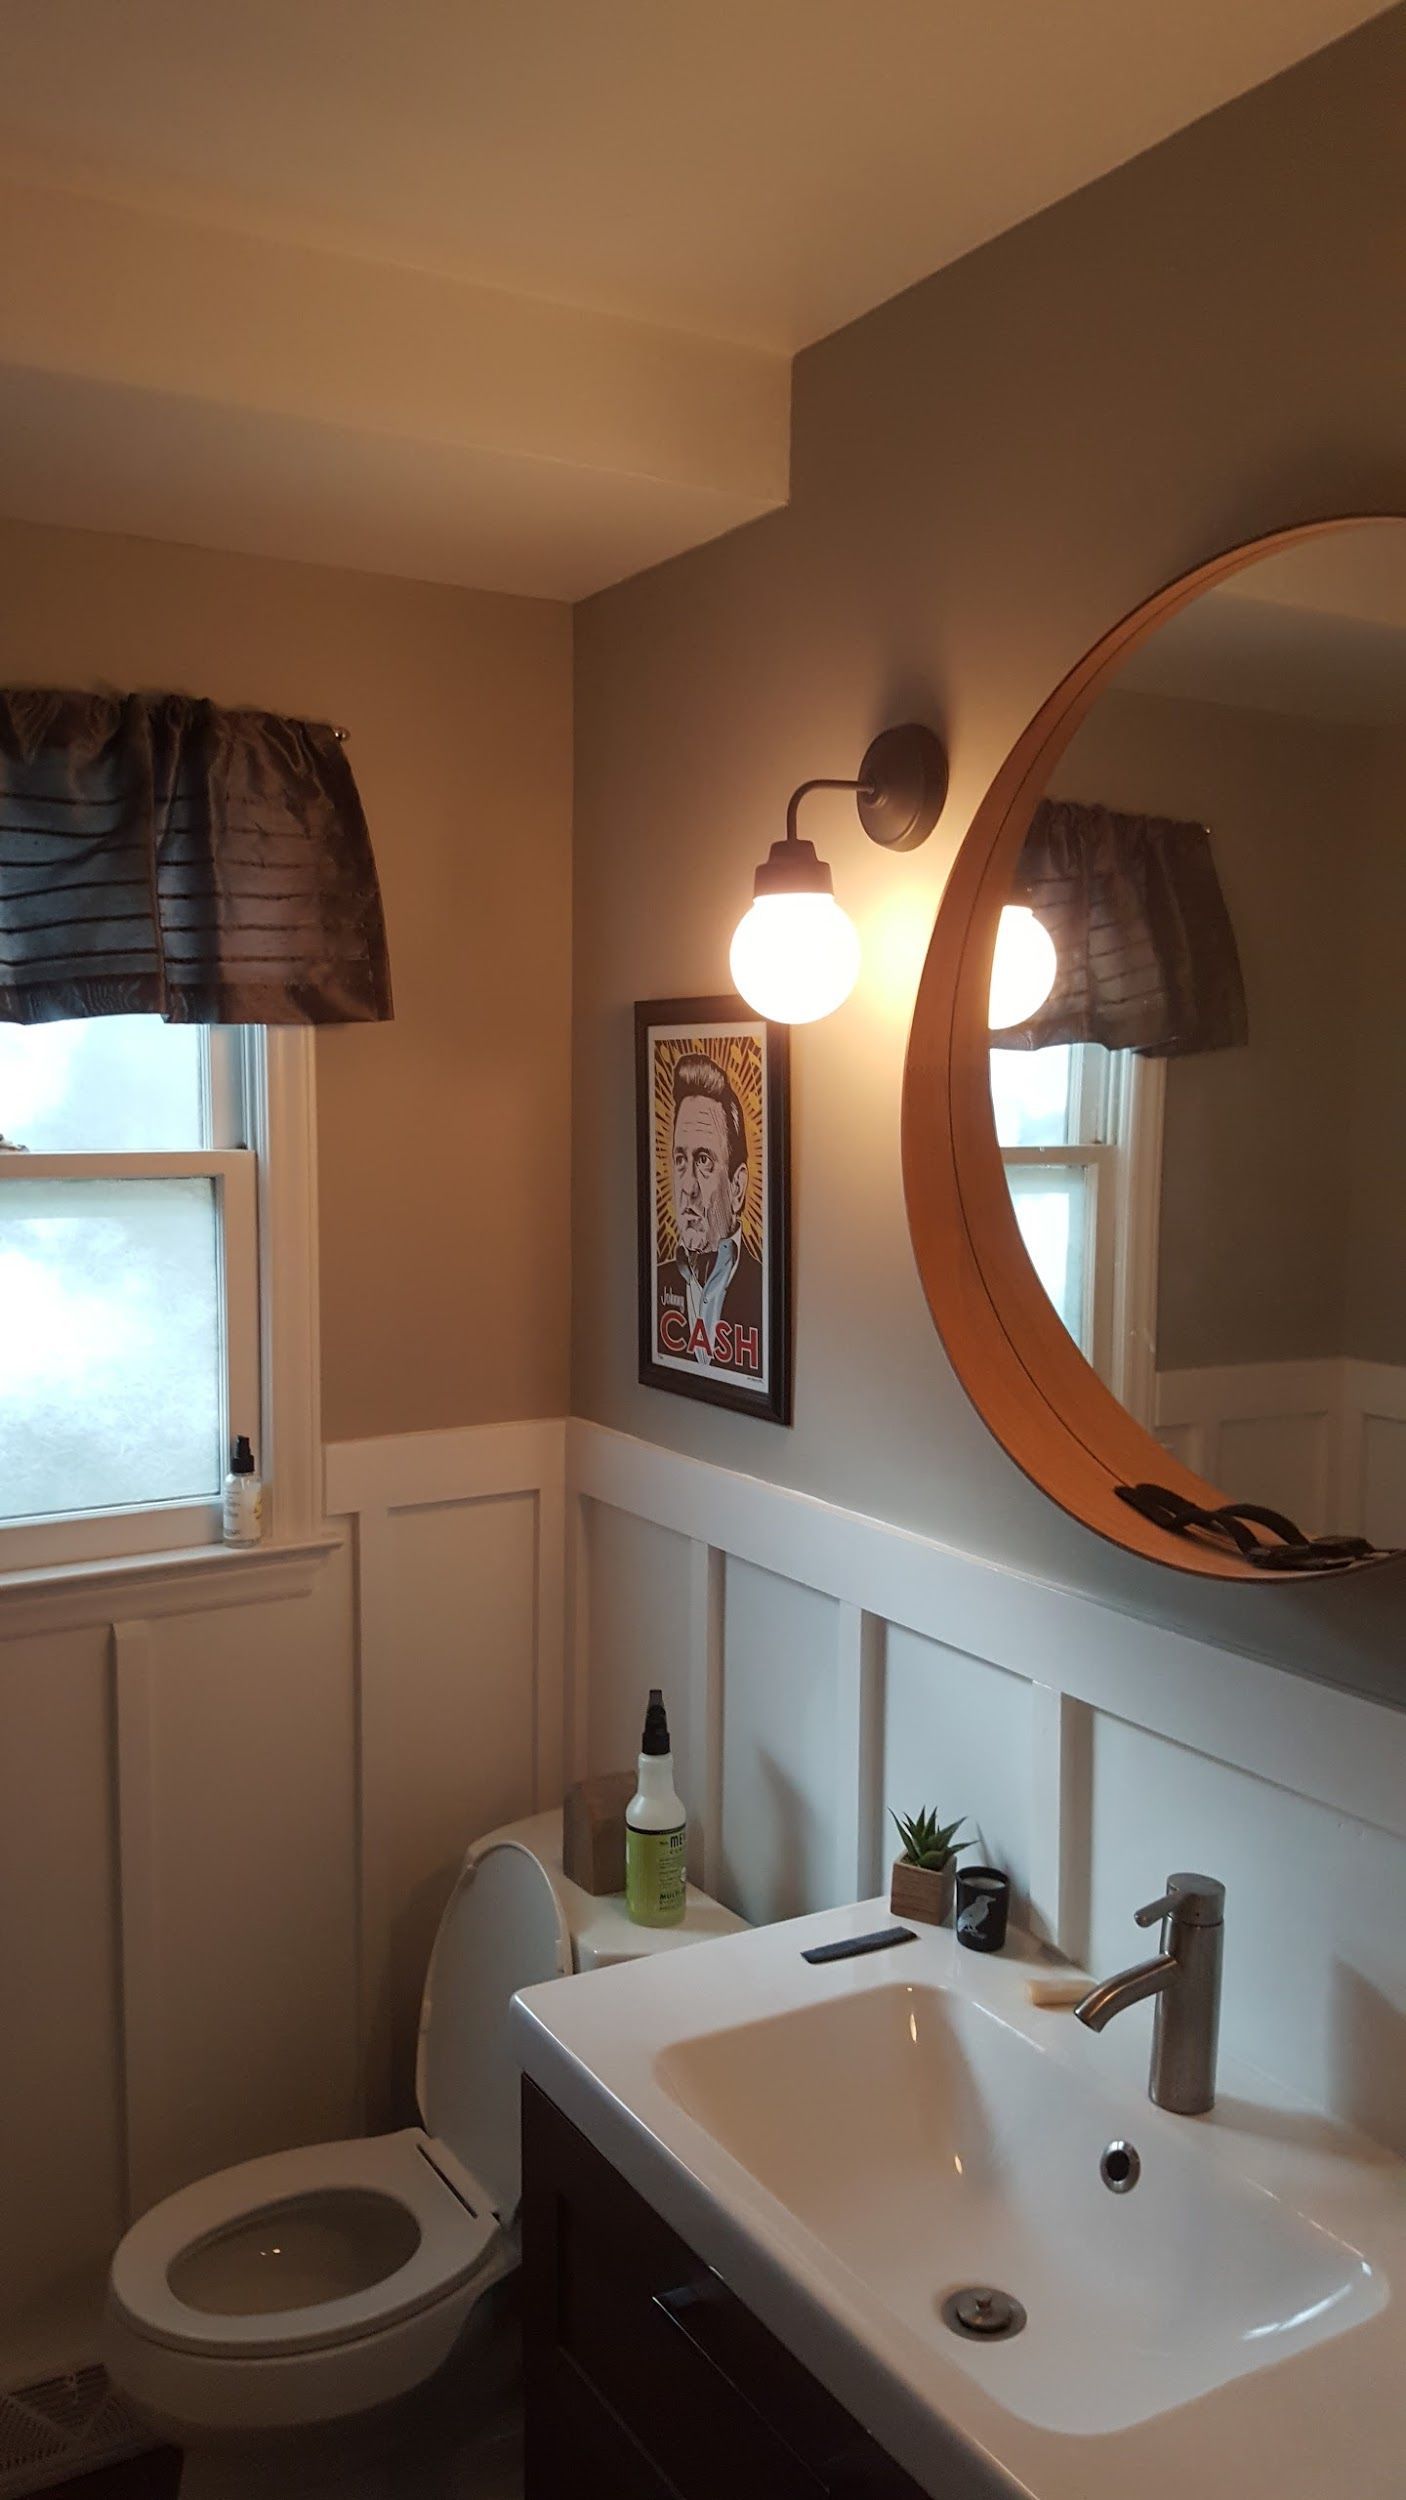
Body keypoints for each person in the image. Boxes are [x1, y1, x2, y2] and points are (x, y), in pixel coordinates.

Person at [656, 1052, 763, 1377]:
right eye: (680, 1160)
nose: (687, 1185)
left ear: (738, 1186)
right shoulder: (658, 1282)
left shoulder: (764, 1290)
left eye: (703, 1160)